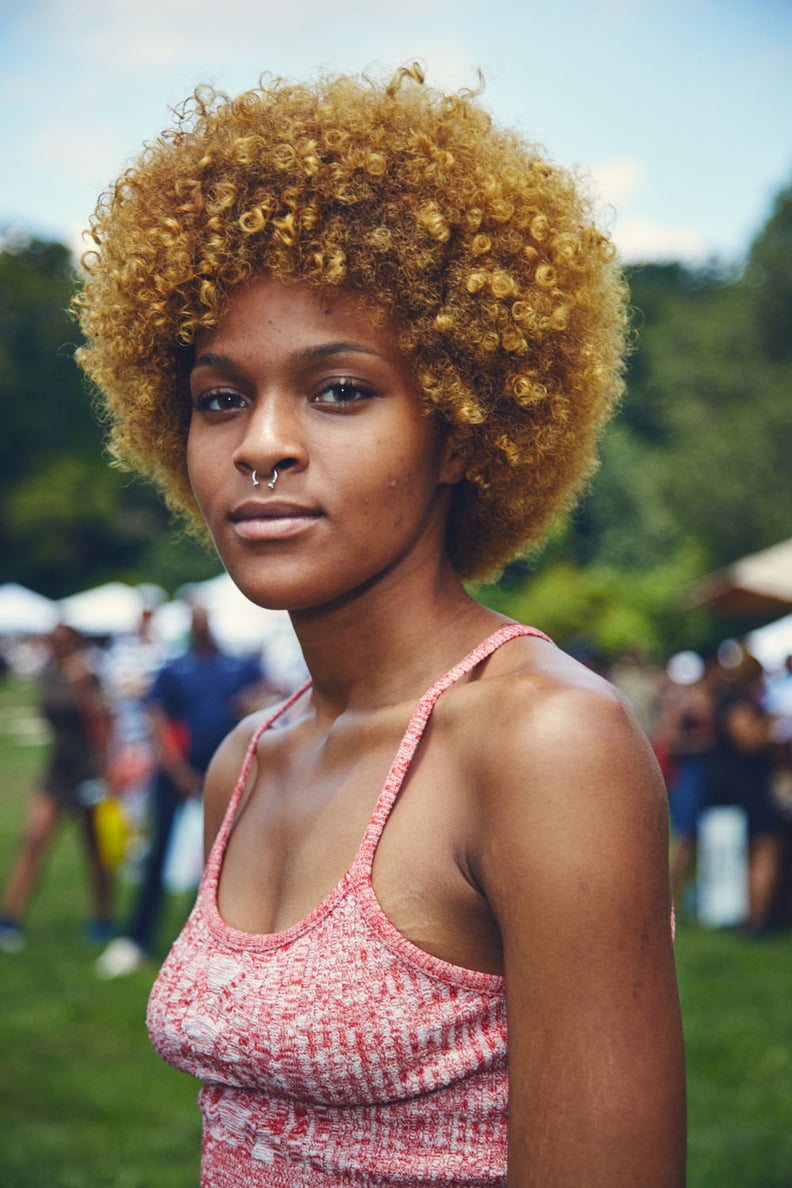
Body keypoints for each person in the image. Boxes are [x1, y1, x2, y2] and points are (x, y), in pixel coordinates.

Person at [74, 65, 686, 1185]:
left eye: (339, 390)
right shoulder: (243, 764)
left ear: (462, 430)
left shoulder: (545, 745)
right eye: (220, 397)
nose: (263, 443)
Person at [96, 604, 267, 977]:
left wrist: (251, 703)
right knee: (159, 855)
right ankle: (137, 938)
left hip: (226, 774)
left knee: (219, 862)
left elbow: (267, 696)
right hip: (177, 775)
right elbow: (156, 717)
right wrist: (177, 770)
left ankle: (206, 941)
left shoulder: (236, 665)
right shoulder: (176, 668)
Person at [0, 623, 114, 951]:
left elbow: (104, 723)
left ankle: (102, 918)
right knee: (33, 840)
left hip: (86, 771)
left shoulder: (86, 675)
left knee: (95, 851)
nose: (54, 645)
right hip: (57, 768)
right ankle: (10, 917)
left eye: (59, 640)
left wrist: (105, 771)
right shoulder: (48, 673)